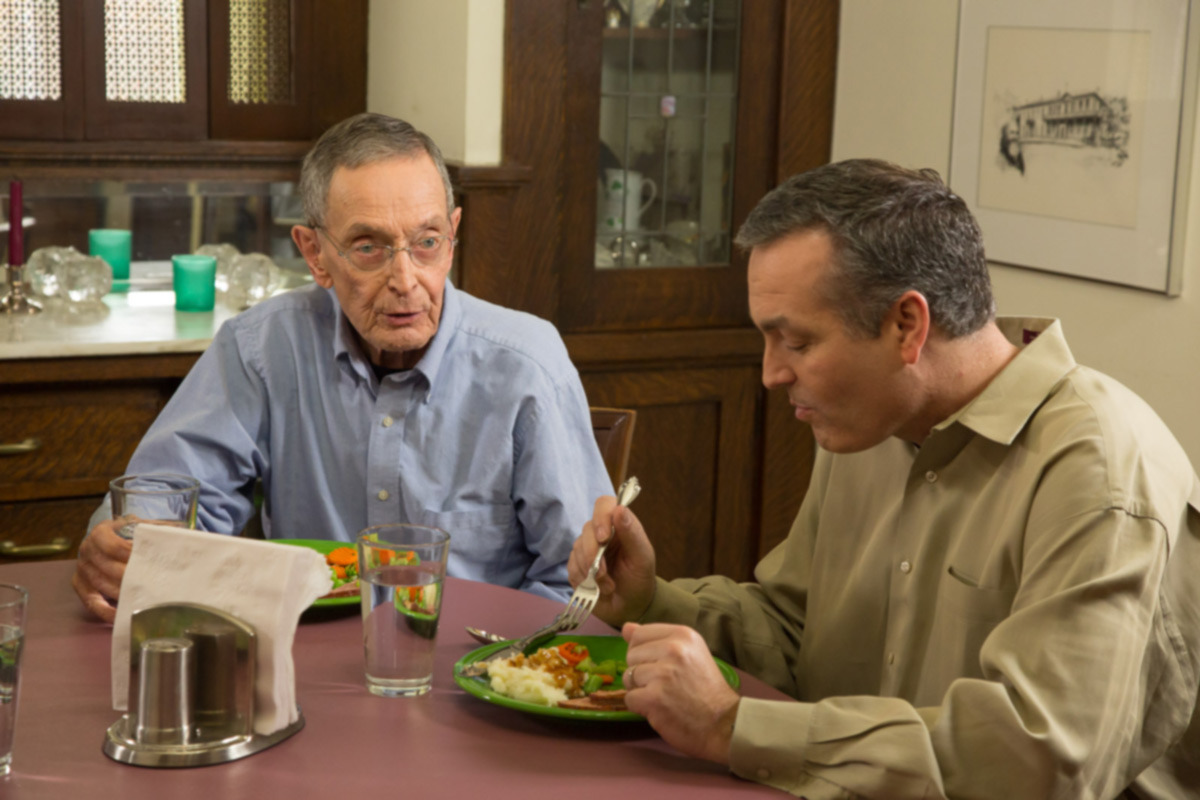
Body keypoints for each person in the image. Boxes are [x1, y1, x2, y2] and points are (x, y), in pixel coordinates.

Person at [569, 159, 1200, 799]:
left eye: (796, 342)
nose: (771, 374)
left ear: (907, 325)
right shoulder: (871, 422)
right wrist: (654, 603)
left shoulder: (1098, 467)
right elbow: (798, 635)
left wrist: (734, 725)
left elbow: (1046, 763)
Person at [74, 112, 613, 622]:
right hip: (302, 667)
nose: (405, 279)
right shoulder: (263, 348)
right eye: (368, 247)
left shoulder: (526, 365)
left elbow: (579, 583)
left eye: (426, 243)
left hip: (475, 673)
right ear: (314, 254)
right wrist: (125, 546)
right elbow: (163, 502)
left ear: (453, 236)